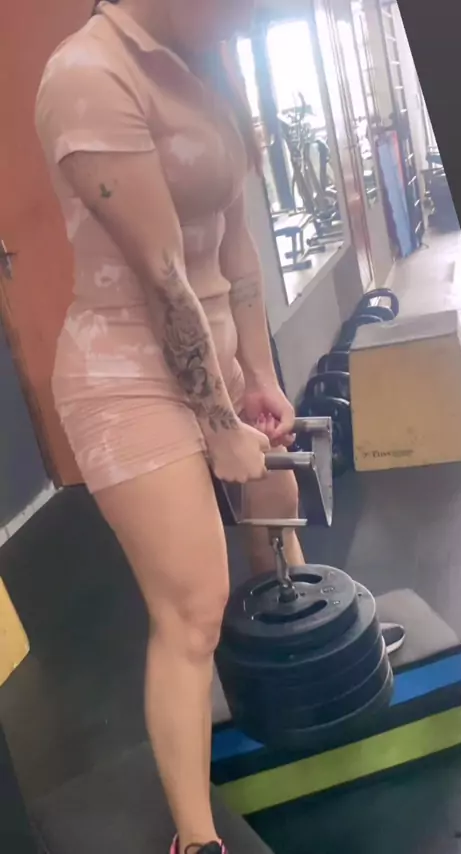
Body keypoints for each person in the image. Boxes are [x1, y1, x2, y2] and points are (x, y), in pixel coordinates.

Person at [35, 2, 303, 852]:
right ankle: (195, 837)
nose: (244, 20)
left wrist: (258, 375)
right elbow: (160, 274)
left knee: (277, 521)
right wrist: (218, 424)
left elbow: (235, 246)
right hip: (124, 378)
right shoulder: (87, 77)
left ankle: (293, 714)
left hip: (214, 355)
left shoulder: (204, 60)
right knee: (193, 606)